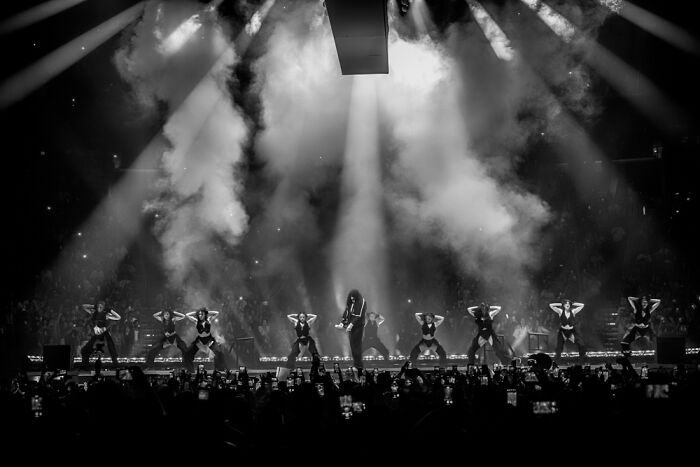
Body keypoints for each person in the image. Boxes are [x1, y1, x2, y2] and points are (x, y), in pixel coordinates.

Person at [184, 307, 227, 371]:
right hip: (200, 340)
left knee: (218, 352)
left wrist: (206, 312)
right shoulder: (196, 321)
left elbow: (217, 313)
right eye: (199, 314)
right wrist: (197, 312)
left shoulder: (209, 319)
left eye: (202, 314)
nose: (200, 316)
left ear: (205, 314)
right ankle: (190, 369)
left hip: (209, 339)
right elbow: (187, 315)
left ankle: (220, 369)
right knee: (188, 352)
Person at [80, 301, 121, 367]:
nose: (99, 308)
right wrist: (93, 306)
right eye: (98, 307)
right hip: (96, 333)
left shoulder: (106, 314)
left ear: (104, 308)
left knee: (111, 347)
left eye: (101, 307)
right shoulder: (93, 312)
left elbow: (119, 317)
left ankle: (115, 363)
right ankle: (85, 364)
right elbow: (83, 306)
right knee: (86, 348)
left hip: (104, 332)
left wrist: (110, 311)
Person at [335, 289, 367, 370]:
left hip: (358, 326)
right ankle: (356, 364)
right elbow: (346, 312)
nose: (352, 300)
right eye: (351, 298)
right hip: (350, 326)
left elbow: (358, 315)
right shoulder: (350, 303)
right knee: (352, 346)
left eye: (353, 299)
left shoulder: (362, 301)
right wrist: (342, 323)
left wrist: (351, 325)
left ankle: (359, 365)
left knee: (357, 345)